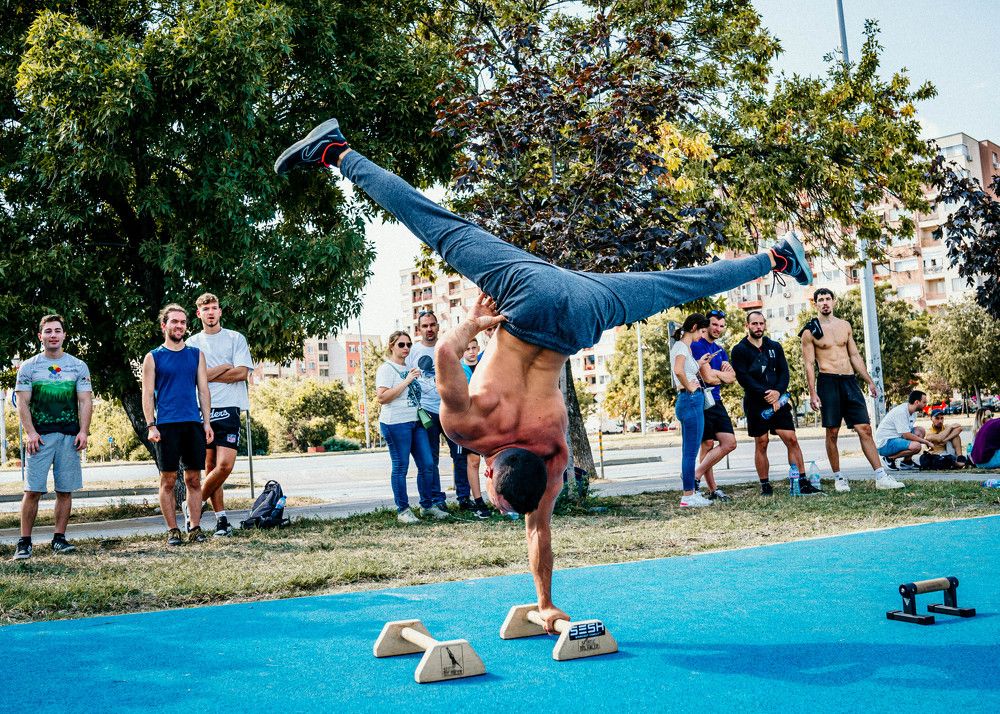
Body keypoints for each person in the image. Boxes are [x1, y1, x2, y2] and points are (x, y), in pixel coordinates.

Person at [274, 118, 811, 628]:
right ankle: (335, 151)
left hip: (582, 314)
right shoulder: (470, 430)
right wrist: (474, 323)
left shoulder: (552, 456)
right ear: (489, 475)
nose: (507, 511)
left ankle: (776, 258)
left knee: (677, 284)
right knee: (438, 227)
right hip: (528, 300)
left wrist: (548, 603)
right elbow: (442, 358)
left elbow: (538, 529)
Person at [800, 288, 903, 492]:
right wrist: (812, 392)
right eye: (820, 300)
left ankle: (881, 476)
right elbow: (809, 364)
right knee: (832, 432)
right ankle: (839, 478)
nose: (825, 302)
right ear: (815, 304)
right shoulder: (809, 331)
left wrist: (869, 381)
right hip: (828, 381)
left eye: (828, 298)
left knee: (865, 428)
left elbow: (854, 355)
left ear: (834, 301)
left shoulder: (845, 325)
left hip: (849, 381)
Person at [11, 315, 93, 560]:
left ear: (64, 335)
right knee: (32, 491)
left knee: (65, 490)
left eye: (57, 330)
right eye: (48, 331)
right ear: (40, 336)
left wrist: (83, 431)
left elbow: (85, 401)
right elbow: (22, 403)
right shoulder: (29, 367)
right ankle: (24, 542)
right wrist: (30, 433)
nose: (53, 335)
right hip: (40, 438)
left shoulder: (78, 366)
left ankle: (59, 538)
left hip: (69, 437)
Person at [142, 304, 214, 545]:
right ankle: (173, 530)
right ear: (164, 325)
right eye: (174, 321)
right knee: (168, 481)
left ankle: (195, 528)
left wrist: (206, 423)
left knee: (194, 480)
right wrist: (151, 425)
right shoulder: (153, 357)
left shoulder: (196, 355)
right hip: (166, 426)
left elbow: (203, 391)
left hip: (193, 424)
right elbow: (147, 395)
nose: (179, 326)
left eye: (182, 322)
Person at [186, 293, 254, 537]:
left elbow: (241, 373)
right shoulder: (192, 343)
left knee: (224, 466)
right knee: (209, 466)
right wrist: (225, 367)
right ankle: (221, 520)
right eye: (206, 309)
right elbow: (193, 377)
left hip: (230, 407)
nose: (211, 312)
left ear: (220, 311)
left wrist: (206, 374)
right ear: (199, 314)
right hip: (202, 409)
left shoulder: (235, 338)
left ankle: (192, 505)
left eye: (214, 308)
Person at [730, 311, 818, 496]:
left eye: (761, 323)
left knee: (791, 439)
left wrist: (778, 393)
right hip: (756, 402)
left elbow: (784, 373)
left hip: (778, 400)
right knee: (762, 443)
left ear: (765, 325)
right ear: (747, 326)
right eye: (754, 324)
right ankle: (765, 486)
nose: (758, 327)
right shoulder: (739, 350)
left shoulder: (774, 346)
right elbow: (743, 378)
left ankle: (801, 481)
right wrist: (766, 395)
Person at [407, 311, 473, 512]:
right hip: (427, 412)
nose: (429, 329)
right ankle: (437, 499)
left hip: (451, 410)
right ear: (419, 329)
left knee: (460, 456)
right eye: (425, 325)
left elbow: (459, 374)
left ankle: (464, 497)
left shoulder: (447, 347)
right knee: (431, 459)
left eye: (432, 325)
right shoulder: (413, 351)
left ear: (437, 326)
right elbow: (407, 379)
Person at [376, 331, 441, 522]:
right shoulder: (386, 369)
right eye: (401, 344)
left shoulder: (410, 368)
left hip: (416, 422)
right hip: (395, 423)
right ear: (391, 346)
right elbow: (382, 397)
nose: (406, 348)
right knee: (401, 467)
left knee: (428, 464)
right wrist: (407, 381)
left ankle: (427, 506)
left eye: (409, 345)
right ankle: (403, 510)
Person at [670, 314, 716, 508]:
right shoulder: (681, 347)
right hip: (690, 399)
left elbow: (687, 369)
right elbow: (678, 370)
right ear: (695, 327)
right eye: (702, 331)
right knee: (690, 452)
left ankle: (690, 493)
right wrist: (689, 386)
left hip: (690, 400)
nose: (702, 335)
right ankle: (688, 495)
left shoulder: (684, 347)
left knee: (689, 450)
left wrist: (701, 362)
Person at [691, 309, 735, 501]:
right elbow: (708, 377)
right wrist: (721, 376)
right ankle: (712, 489)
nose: (718, 328)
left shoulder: (720, 350)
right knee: (707, 444)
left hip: (716, 400)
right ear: (706, 325)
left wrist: (719, 376)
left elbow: (732, 378)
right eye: (714, 324)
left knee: (729, 443)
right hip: (701, 400)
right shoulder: (697, 345)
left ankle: (695, 475)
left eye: (721, 326)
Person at [460, 338, 492, 519]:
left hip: (488, 420)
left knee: (493, 460)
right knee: (473, 462)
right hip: (469, 421)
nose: (471, 352)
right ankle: (479, 502)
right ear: (463, 351)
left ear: (478, 348)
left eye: (474, 348)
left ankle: (500, 500)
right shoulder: (459, 370)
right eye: (467, 349)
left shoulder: (486, 366)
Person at [875, 391, 932, 472]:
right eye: (924, 402)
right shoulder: (901, 412)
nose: (926, 404)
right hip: (885, 444)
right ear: (916, 402)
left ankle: (906, 462)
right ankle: (889, 459)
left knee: (920, 431)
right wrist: (926, 442)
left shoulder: (913, 412)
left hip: (896, 438)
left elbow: (908, 433)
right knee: (917, 446)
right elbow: (907, 435)